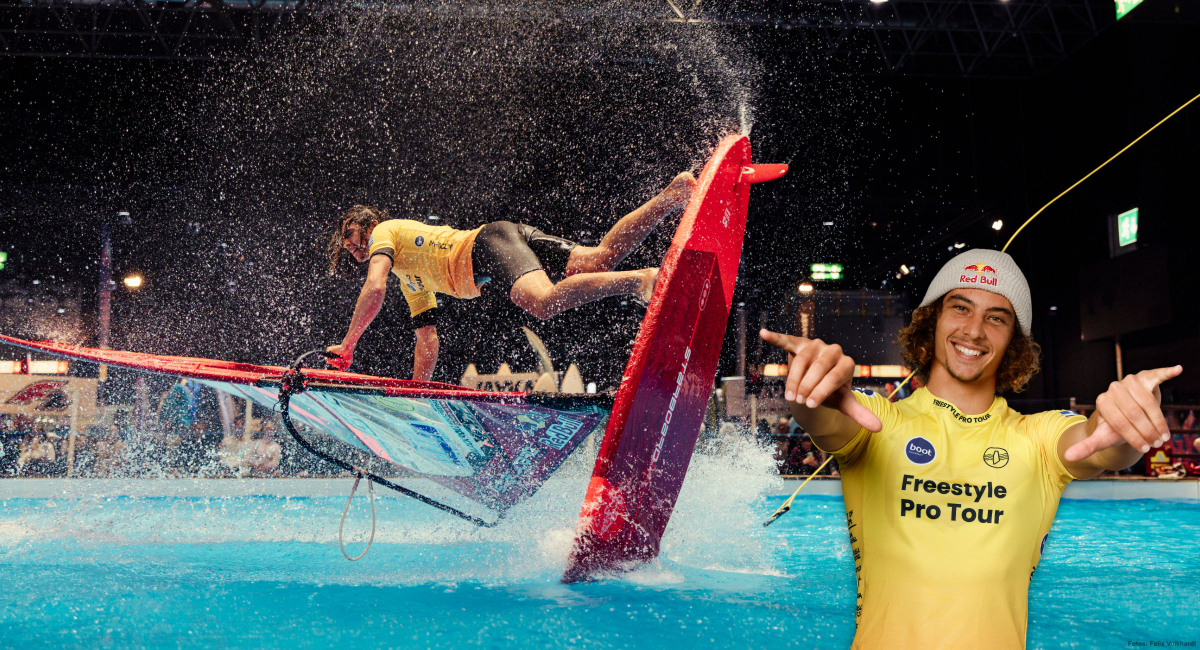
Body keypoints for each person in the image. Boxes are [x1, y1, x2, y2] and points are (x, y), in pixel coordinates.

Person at [761, 248, 1181, 650]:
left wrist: (1126, 423)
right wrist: (810, 389)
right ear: (933, 320)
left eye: (996, 317)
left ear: (1014, 341)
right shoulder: (877, 423)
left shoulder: (1037, 437)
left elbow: (1099, 445)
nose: (975, 330)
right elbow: (823, 415)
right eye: (960, 307)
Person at [324, 173, 697, 379]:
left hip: (488, 246)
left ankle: (643, 280)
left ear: (368, 224)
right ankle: (673, 194)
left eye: (353, 239)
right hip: (502, 238)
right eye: (350, 249)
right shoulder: (411, 279)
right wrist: (418, 392)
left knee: (543, 303)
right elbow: (427, 337)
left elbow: (374, 286)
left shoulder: (384, 231)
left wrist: (349, 344)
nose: (353, 249)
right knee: (600, 258)